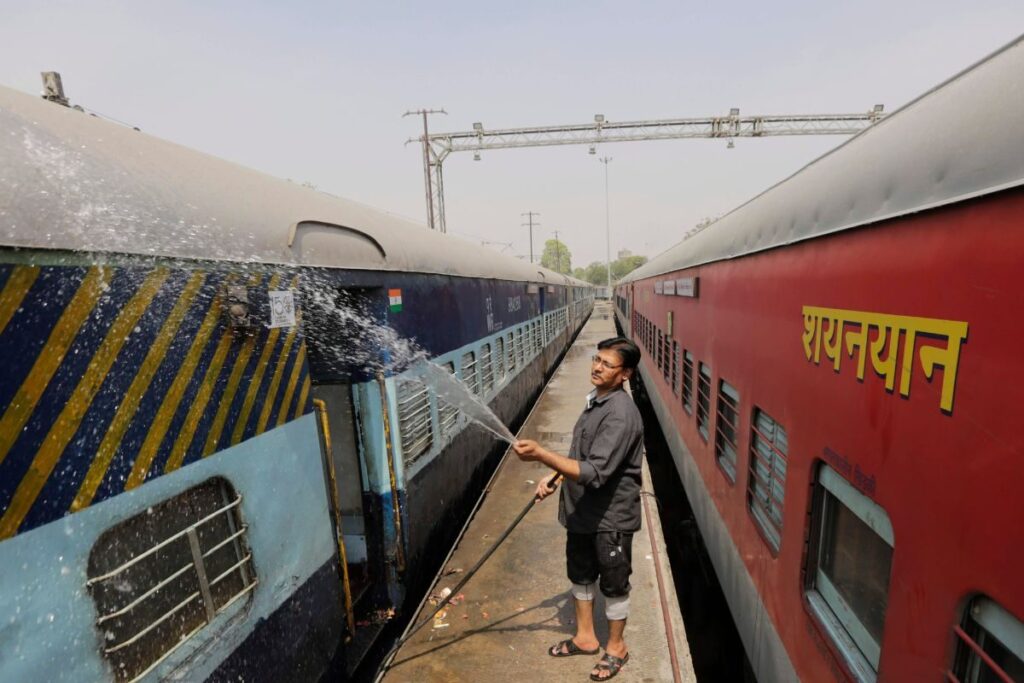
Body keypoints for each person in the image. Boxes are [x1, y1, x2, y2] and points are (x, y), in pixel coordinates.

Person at [513, 336, 643, 682]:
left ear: (626, 373)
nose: (597, 367)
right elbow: (580, 452)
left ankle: (616, 648)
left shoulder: (621, 415)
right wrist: (554, 475)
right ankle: (586, 638)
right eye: (596, 360)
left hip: (610, 518)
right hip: (582, 512)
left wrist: (541, 453)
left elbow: (595, 472)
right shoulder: (597, 401)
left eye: (607, 364)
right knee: (581, 576)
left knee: (614, 584)